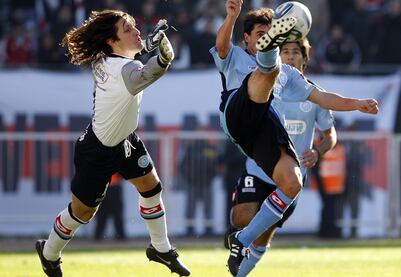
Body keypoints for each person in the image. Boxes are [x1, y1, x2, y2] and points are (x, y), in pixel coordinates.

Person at [209, 1, 378, 275]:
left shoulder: (289, 75)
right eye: (262, 35)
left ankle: (242, 241)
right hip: (237, 113)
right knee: (266, 72)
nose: (264, 36)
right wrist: (231, 17)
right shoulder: (235, 57)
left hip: (261, 130)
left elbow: (323, 97)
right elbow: (222, 45)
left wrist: (357, 103)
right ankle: (242, 232)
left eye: (270, 34)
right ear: (247, 39)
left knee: (293, 183)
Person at [35, 10, 190, 277]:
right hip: (98, 151)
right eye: (127, 29)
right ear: (111, 41)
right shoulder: (122, 68)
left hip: (124, 139)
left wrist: (149, 48)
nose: (136, 31)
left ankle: (160, 248)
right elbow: (141, 75)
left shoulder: (110, 59)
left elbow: (131, 64)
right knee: (82, 213)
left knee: (152, 188)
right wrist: (163, 56)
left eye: (134, 26)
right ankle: (48, 253)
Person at [225, 38, 337, 276]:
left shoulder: (316, 96)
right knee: (242, 217)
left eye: (295, 52)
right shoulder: (267, 90)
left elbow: (330, 135)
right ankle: (240, 239)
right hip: (258, 169)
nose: (289, 56)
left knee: (264, 235)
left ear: (305, 60)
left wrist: (318, 151)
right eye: (284, 51)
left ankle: (239, 272)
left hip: (291, 178)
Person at [93, 173, 126, 241]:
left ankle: (121, 237)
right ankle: (97, 236)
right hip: (102, 187)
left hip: (114, 187)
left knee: (117, 214)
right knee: (101, 214)